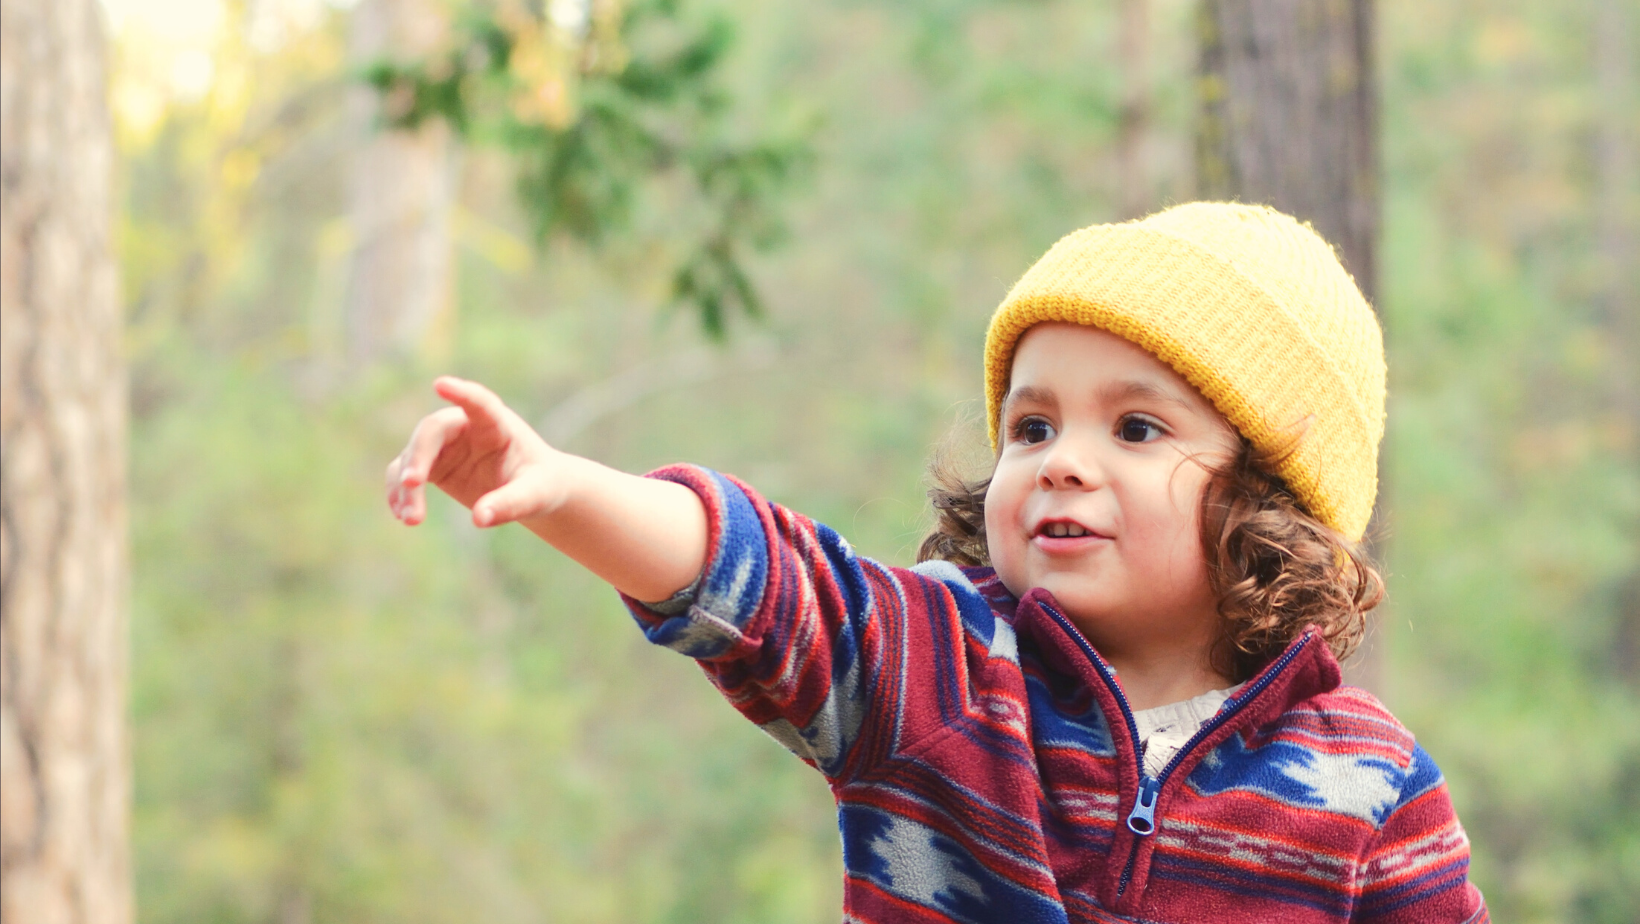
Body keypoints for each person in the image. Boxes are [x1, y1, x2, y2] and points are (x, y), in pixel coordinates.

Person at [385, 202, 1489, 923]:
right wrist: (566, 487)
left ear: (1269, 502)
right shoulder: (939, 668)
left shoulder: (1368, 782)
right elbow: (760, 587)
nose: (1061, 464)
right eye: (1031, 427)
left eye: (1135, 430)